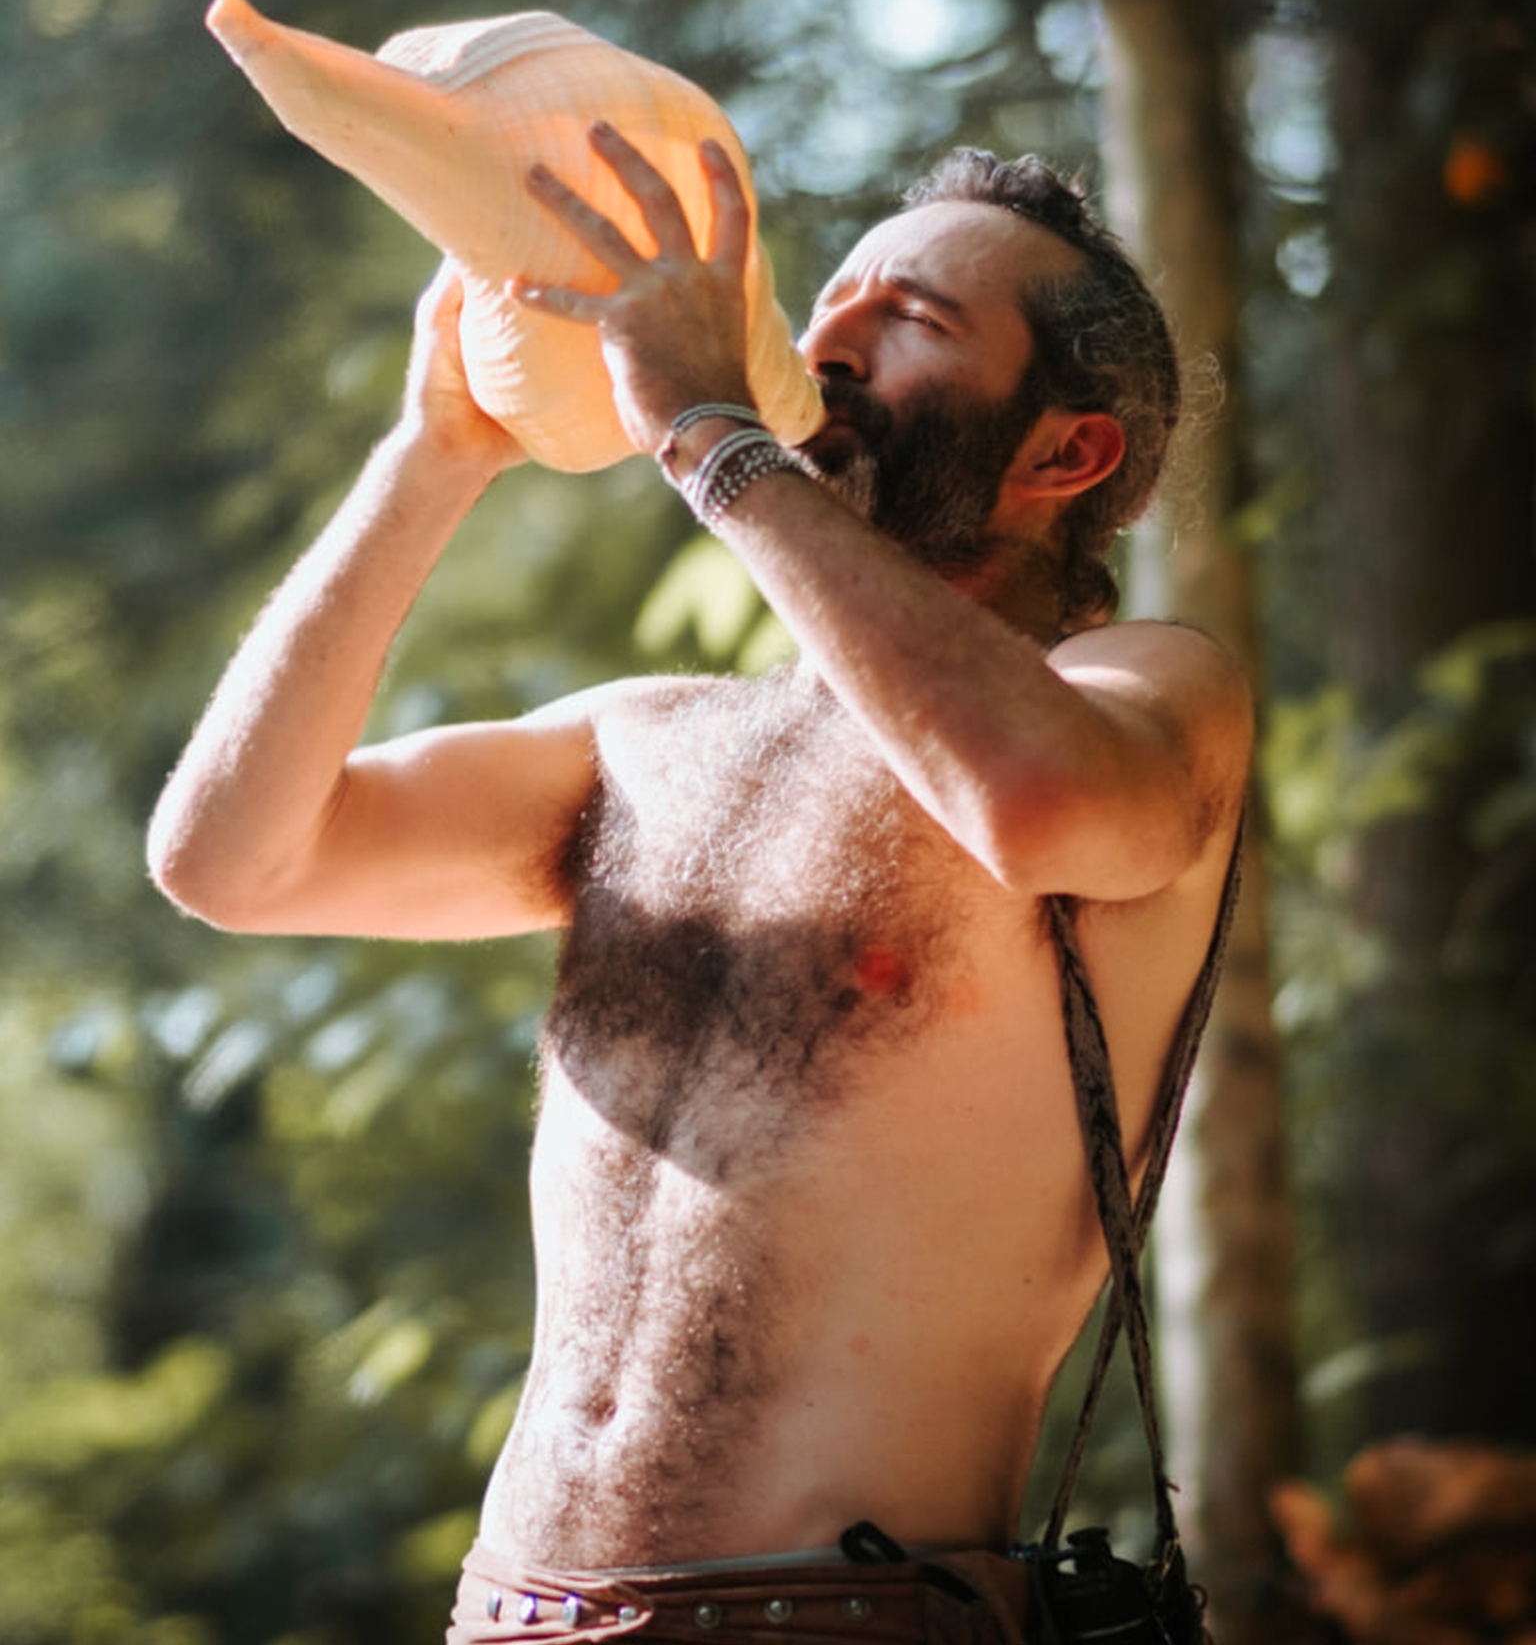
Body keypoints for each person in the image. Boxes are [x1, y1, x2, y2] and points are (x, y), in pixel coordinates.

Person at [148, 128, 1252, 1645]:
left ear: (1068, 457)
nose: (828, 339)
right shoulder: (646, 737)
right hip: (508, 1615)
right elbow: (230, 857)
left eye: (914, 319)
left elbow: (1040, 806)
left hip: (844, 1618)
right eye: (836, 298)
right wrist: (433, 453)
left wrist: (711, 440)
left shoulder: (1146, 690)